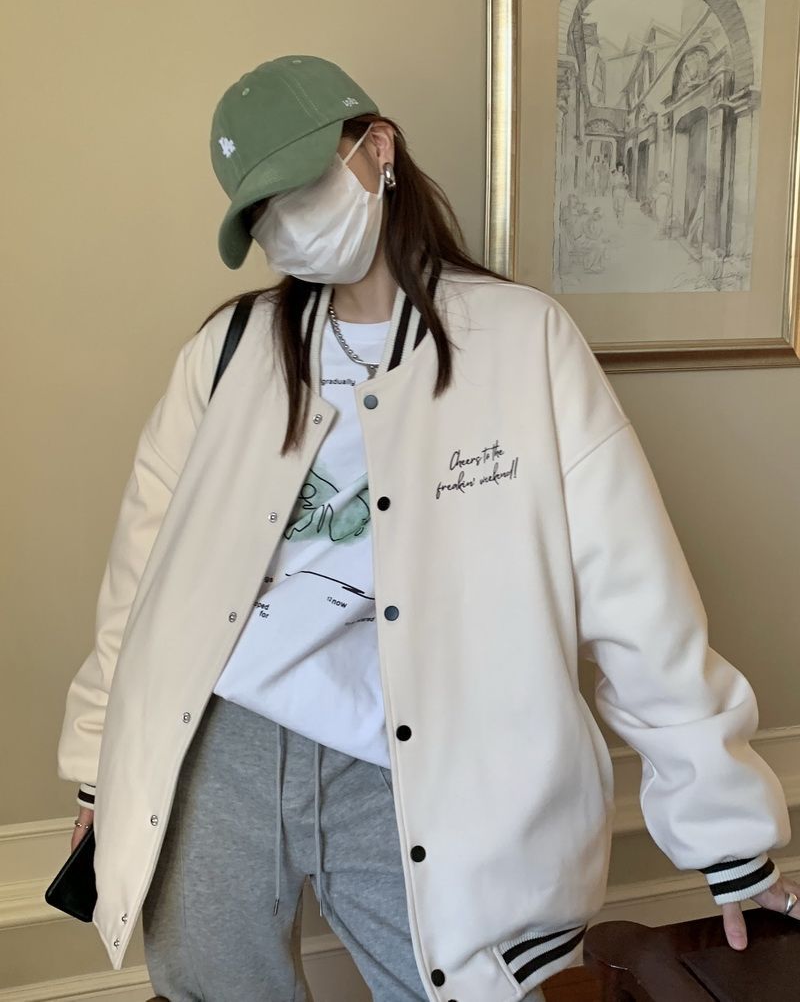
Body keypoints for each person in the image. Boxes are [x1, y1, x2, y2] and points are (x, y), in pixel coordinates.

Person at [57, 55, 797, 1002]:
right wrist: (98, 771)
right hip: (218, 746)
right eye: (263, 210)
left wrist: (728, 839)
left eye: (302, 185)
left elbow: (636, 593)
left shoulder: (522, 341)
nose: (289, 222)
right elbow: (142, 579)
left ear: (377, 149)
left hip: (414, 760)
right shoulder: (227, 351)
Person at [610, 160, 630, 225]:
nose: (620, 169)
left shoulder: (625, 175)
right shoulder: (615, 175)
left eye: (621, 168)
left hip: (622, 192)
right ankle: (618, 216)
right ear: (617, 168)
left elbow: (627, 184)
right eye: (619, 168)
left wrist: (624, 184)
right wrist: (612, 192)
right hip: (616, 192)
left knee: (621, 207)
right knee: (615, 207)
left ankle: (620, 220)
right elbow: (612, 184)